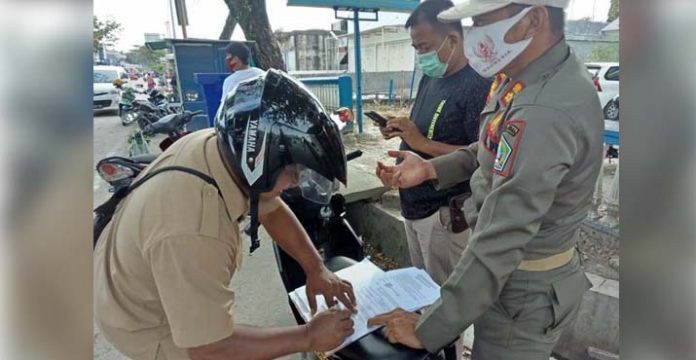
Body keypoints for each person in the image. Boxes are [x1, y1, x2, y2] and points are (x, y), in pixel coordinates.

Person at [368, 1, 603, 359]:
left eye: (481, 21)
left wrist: (430, 326)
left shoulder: (543, 108)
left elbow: (504, 232)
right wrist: (432, 168)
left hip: (522, 289)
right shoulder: (524, 78)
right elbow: (493, 147)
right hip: (508, 278)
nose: (472, 33)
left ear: (533, 20)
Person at [95, 69, 356, 360]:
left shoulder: (222, 147)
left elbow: (271, 207)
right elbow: (209, 348)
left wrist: (315, 268)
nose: (296, 182)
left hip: (131, 265)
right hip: (143, 322)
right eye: (294, 172)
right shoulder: (195, 230)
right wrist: (308, 336)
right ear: (262, 160)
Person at [377, 0, 490, 287]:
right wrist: (400, 128)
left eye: (424, 47)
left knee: (443, 303)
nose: (420, 55)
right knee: (423, 293)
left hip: (443, 217)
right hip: (413, 207)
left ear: (453, 39)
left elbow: (482, 155)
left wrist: (421, 142)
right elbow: (423, 127)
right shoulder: (432, 77)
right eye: (416, 48)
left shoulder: (478, 84)